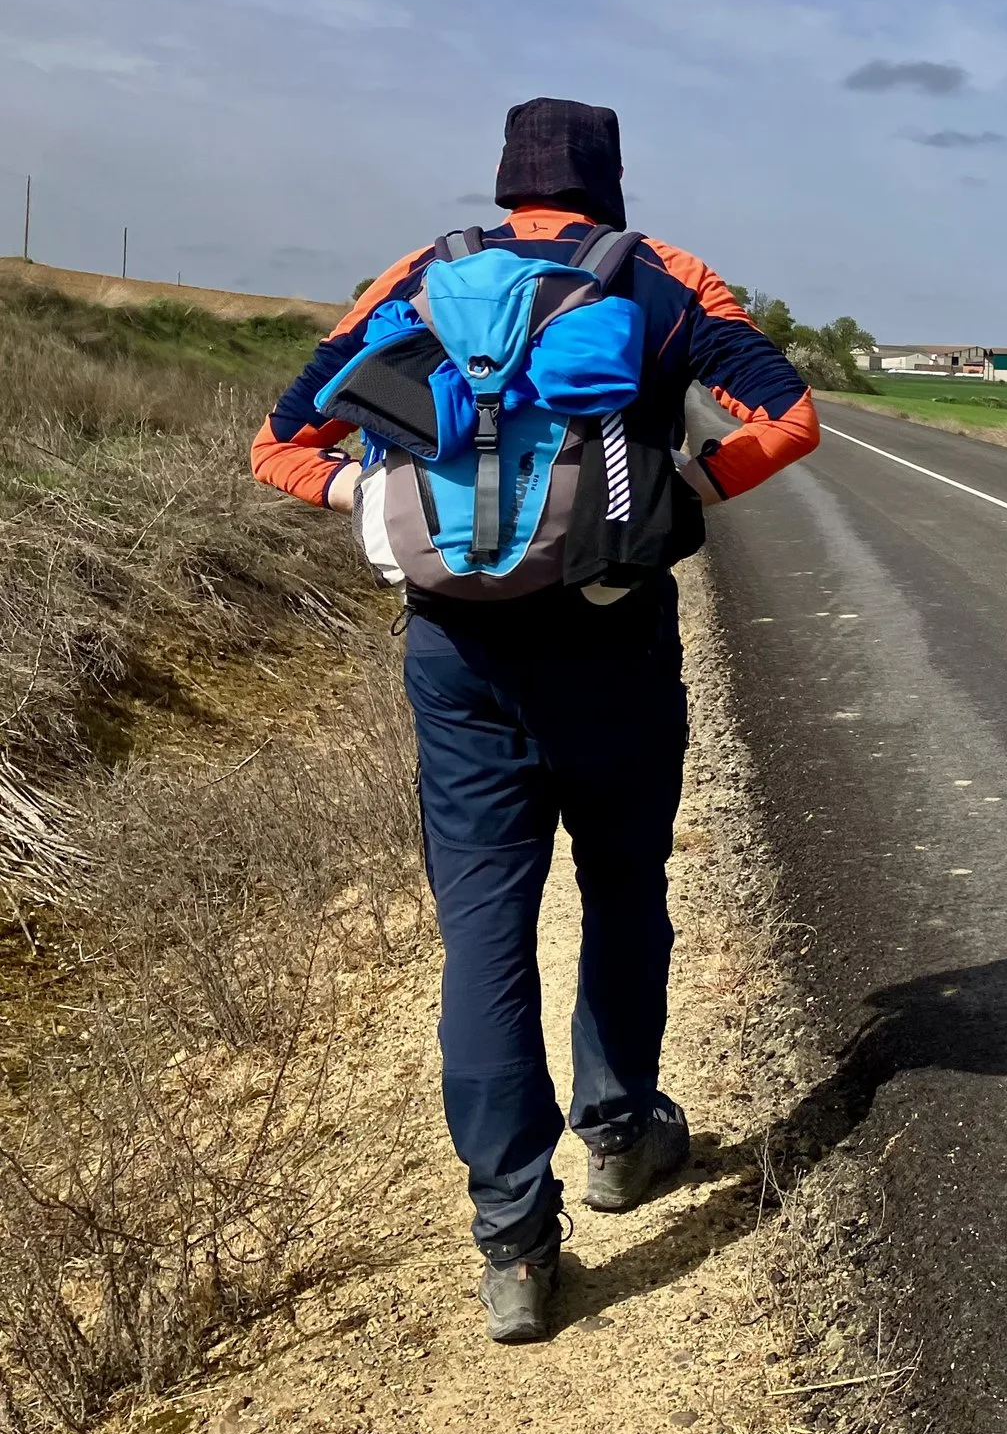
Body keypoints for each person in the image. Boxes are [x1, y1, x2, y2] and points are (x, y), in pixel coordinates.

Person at [251, 98, 821, 1343]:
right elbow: (789, 420)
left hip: (458, 659)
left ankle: (513, 1244)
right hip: (615, 641)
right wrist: (681, 492)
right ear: (610, 182)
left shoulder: (422, 275)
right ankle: (619, 1138)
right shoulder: (666, 276)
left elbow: (277, 445)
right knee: (622, 891)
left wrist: (364, 497)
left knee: (484, 937)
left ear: (507, 182)